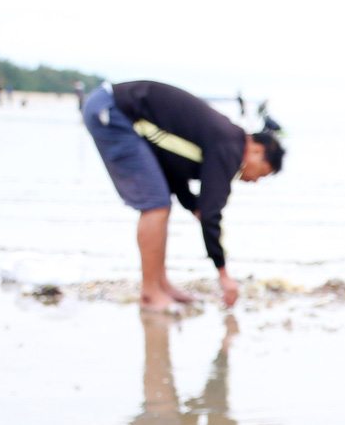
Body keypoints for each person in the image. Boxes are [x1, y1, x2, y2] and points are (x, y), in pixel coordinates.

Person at [81, 80, 283, 311]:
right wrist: (224, 274)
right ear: (258, 150)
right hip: (114, 111)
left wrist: (193, 205)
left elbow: (171, 166)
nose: (255, 180)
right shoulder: (230, 146)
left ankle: (160, 284)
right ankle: (149, 293)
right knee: (155, 205)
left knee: (160, 201)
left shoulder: (224, 139)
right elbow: (211, 214)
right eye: (262, 174)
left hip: (116, 108)